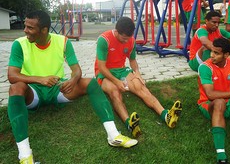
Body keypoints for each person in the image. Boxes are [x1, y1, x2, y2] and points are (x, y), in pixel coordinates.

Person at [7, 11, 137, 164]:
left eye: (30, 28)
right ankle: (25, 156)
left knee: (91, 82)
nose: (25, 31)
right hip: (33, 92)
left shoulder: (63, 41)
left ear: (44, 30)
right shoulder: (19, 44)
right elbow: (12, 76)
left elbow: (76, 69)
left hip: (58, 89)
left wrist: (73, 80)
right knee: (15, 88)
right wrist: (40, 79)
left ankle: (113, 135)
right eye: (25, 26)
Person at [94, 16, 182, 138]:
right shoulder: (104, 40)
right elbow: (101, 67)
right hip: (103, 73)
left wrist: (137, 73)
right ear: (116, 31)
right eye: (124, 38)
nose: (126, 41)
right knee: (114, 91)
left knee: (140, 87)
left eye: (128, 38)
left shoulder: (131, 40)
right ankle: (129, 124)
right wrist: (116, 81)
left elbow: (132, 60)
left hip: (121, 70)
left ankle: (166, 115)